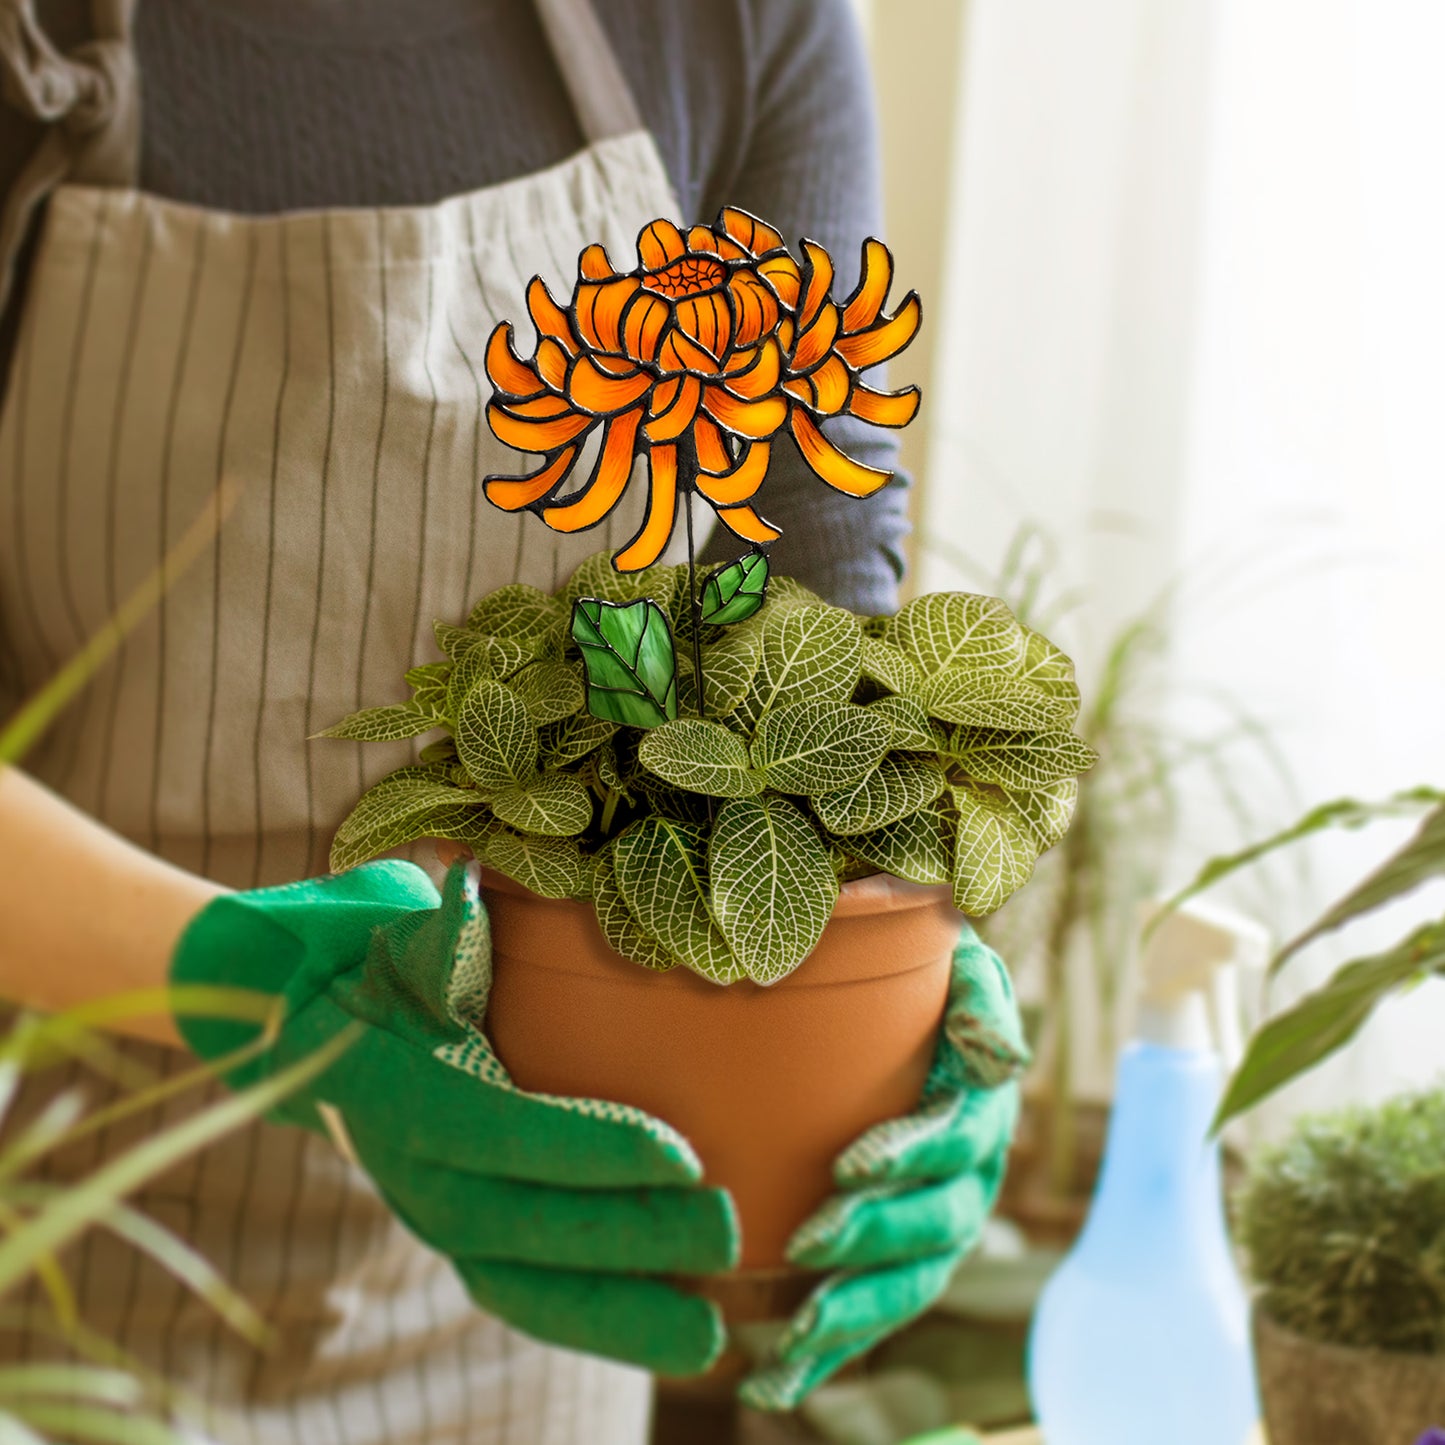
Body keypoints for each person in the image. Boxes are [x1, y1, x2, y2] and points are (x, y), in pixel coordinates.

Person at [0, 0, 1023, 1440]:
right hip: (43, 1259)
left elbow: (807, 596)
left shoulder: (733, 23)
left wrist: (910, 969)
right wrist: (242, 977)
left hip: (533, 1292)